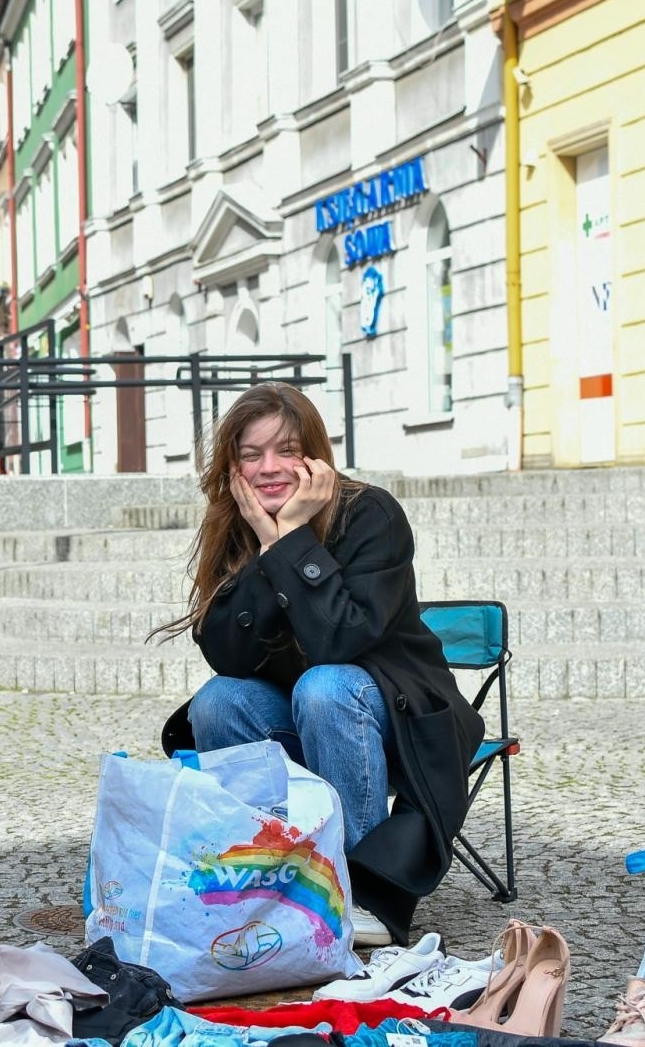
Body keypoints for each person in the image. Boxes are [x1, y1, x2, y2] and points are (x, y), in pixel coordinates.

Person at [156, 382, 482, 948]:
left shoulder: (370, 514)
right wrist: (266, 546)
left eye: (285, 450)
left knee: (325, 686)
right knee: (218, 700)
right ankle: (267, 881)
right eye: (251, 454)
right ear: (233, 468)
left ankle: (356, 894)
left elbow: (341, 640)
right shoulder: (238, 523)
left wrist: (292, 543)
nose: (269, 468)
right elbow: (227, 656)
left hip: (399, 723)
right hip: (306, 716)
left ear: (314, 456)